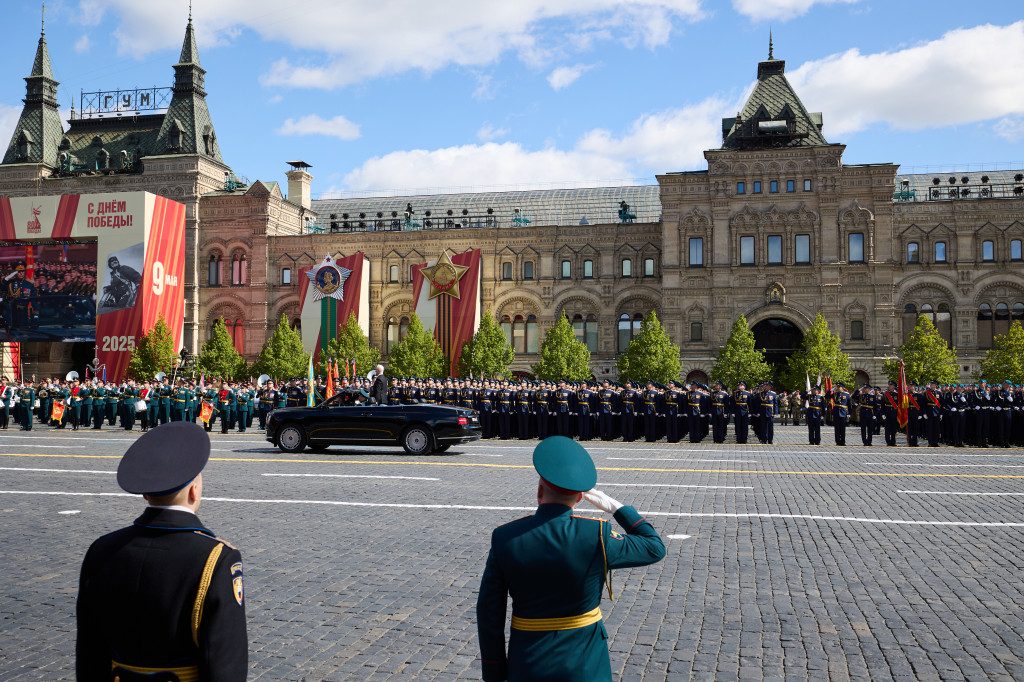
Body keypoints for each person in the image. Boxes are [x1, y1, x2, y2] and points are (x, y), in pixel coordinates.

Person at [477, 436, 665, 681]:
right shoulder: (596, 535)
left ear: (539, 492)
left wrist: (494, 672)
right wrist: (616, 507)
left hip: (528, 660)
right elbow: (654, 547)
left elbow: (489, 611)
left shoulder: (504, 537)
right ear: (579, 498)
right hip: (586, 662)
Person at [76, 422, 247, 681]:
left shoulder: (102, 549)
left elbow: (90, 651)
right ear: (194, 490)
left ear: (145, 493)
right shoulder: (216, 559)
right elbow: (224, 662)